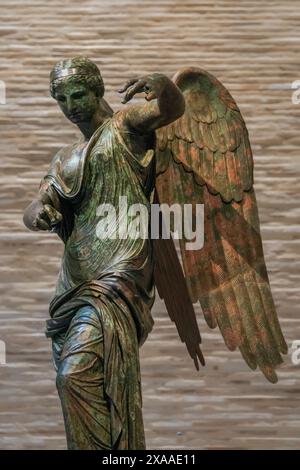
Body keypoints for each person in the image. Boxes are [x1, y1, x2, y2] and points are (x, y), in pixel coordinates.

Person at [23, 56, 185, 450]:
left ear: (96, 90)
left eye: (78, 94)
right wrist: (38, 215)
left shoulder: (126, 126)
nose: (71, 105)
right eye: (61, 98)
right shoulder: (65, 158)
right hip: (76, 276)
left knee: (73, 375)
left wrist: (162, 83)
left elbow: (171, 108)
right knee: (72, 376)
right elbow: (35, 206)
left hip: (119, 271)